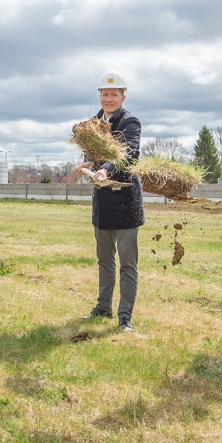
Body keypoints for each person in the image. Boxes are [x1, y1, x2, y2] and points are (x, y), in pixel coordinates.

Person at [82, 70, 143, 331]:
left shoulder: (130, 122)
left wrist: (106, 168)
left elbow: (128, 152)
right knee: (105, 260)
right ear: (100, 96)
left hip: (125, 201)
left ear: (123, 97)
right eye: (105, 94)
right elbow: (91, 153)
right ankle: (102, 308)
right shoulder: (93, 124)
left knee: (127, 264)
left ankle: (124, 317)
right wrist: (88, 164)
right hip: (103, 202)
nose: (109, 99)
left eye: (114, 95)